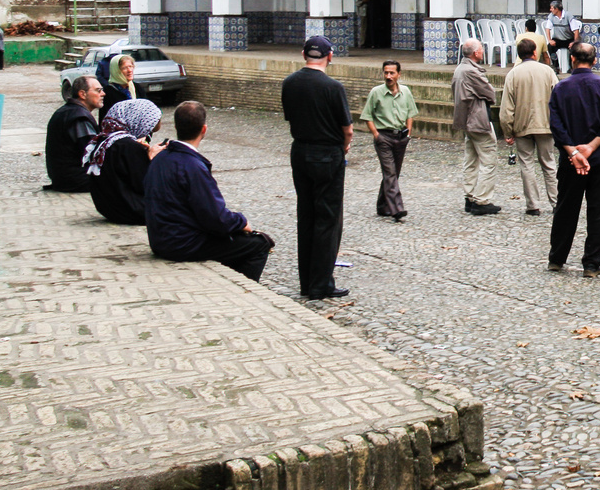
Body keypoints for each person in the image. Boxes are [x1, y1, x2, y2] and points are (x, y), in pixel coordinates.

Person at [145, 101, 275, 281]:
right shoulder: (192, 166)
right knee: (259, 244)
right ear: (204, 130)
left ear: (176, 126)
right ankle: (240, 288)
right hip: (181, 243)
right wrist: (241, 222)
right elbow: (215, 218)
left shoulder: (160, 158)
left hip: (161, 238)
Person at [280, 36, 353, 300]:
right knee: (328, 219)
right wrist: (344, 147)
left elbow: (290, 116)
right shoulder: (333, 87)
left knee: (306, 215)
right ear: (329, 56)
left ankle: (306, 281)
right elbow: (347, 128)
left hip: (300, 150)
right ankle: (321, 283)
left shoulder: (289, 83)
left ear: (303, 55)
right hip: (327, 153)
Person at [547, 42, 600, 277]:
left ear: (572, 59)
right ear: (595, 60)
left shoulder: (561, 88)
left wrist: (573, 152)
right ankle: (591, 264)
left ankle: (557, 259)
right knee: (598, 211)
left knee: (566, 209)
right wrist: (590, 147)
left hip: (571, 161)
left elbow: (556, 125)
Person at [499, 38, 559, 215]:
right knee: (549, 163)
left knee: (526, 164)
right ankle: (556, 202)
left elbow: (506, 108)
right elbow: (558, 99)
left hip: (521, 126)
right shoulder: (548, 71)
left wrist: (507, 131)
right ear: (535, 53)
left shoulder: (513, 74)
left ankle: (533, 205)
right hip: (545, 125)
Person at [85, 98, 163, 225]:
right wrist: (150, 158)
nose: (145, 135)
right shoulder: (128, 147)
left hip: (109, 208)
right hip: (131, 210)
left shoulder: (103, 141)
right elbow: (145, 185)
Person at [360, 59, 417, 221]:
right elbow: (367, 115)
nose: (389, 76)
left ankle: (382, 206)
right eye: (386, 72)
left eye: (392, 73)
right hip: (383, 137)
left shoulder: (405, 91)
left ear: (399, 74)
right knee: (390, 172)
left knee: (393, 173)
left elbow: (410, 113)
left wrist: (408, 133)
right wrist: (376, 134)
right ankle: (396, 208)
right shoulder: (376, 92)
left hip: (400, 136)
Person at [453, 39, 501, 215]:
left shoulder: (460, 69)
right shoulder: (471, 71)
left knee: (471, 159)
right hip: (477, 120)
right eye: (481, 49)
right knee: (489, 159)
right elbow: (489, 92)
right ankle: (481, 200)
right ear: (475, 53)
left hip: (466, 119)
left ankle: (470, 196)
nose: (483, 51)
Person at [44, 75, 103, 192]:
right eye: (98, 90)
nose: (103, 94)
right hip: (76, 179)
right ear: (82, 94)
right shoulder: (79, 117)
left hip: (65, 178)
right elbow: (92, 153)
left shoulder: (68, 111)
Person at [100, 53, 140, 124]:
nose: (129, 70)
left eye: (130, 66)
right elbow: (104, 120)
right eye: (124, 68)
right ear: (116, 71)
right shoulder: (108, 92)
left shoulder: (137, 88)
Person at [543, 1, 581, 68]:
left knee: (574, 48)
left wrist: (574, 42)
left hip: (569, 39)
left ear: (556, 9)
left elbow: (576, 30)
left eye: (552, 8)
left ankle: (572, 67)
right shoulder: (551, 16)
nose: (550, 10)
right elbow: (547, 28)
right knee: (550, 47)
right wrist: (549, 40)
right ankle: (555, 66)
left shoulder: (568, 15)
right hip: (558, 39)